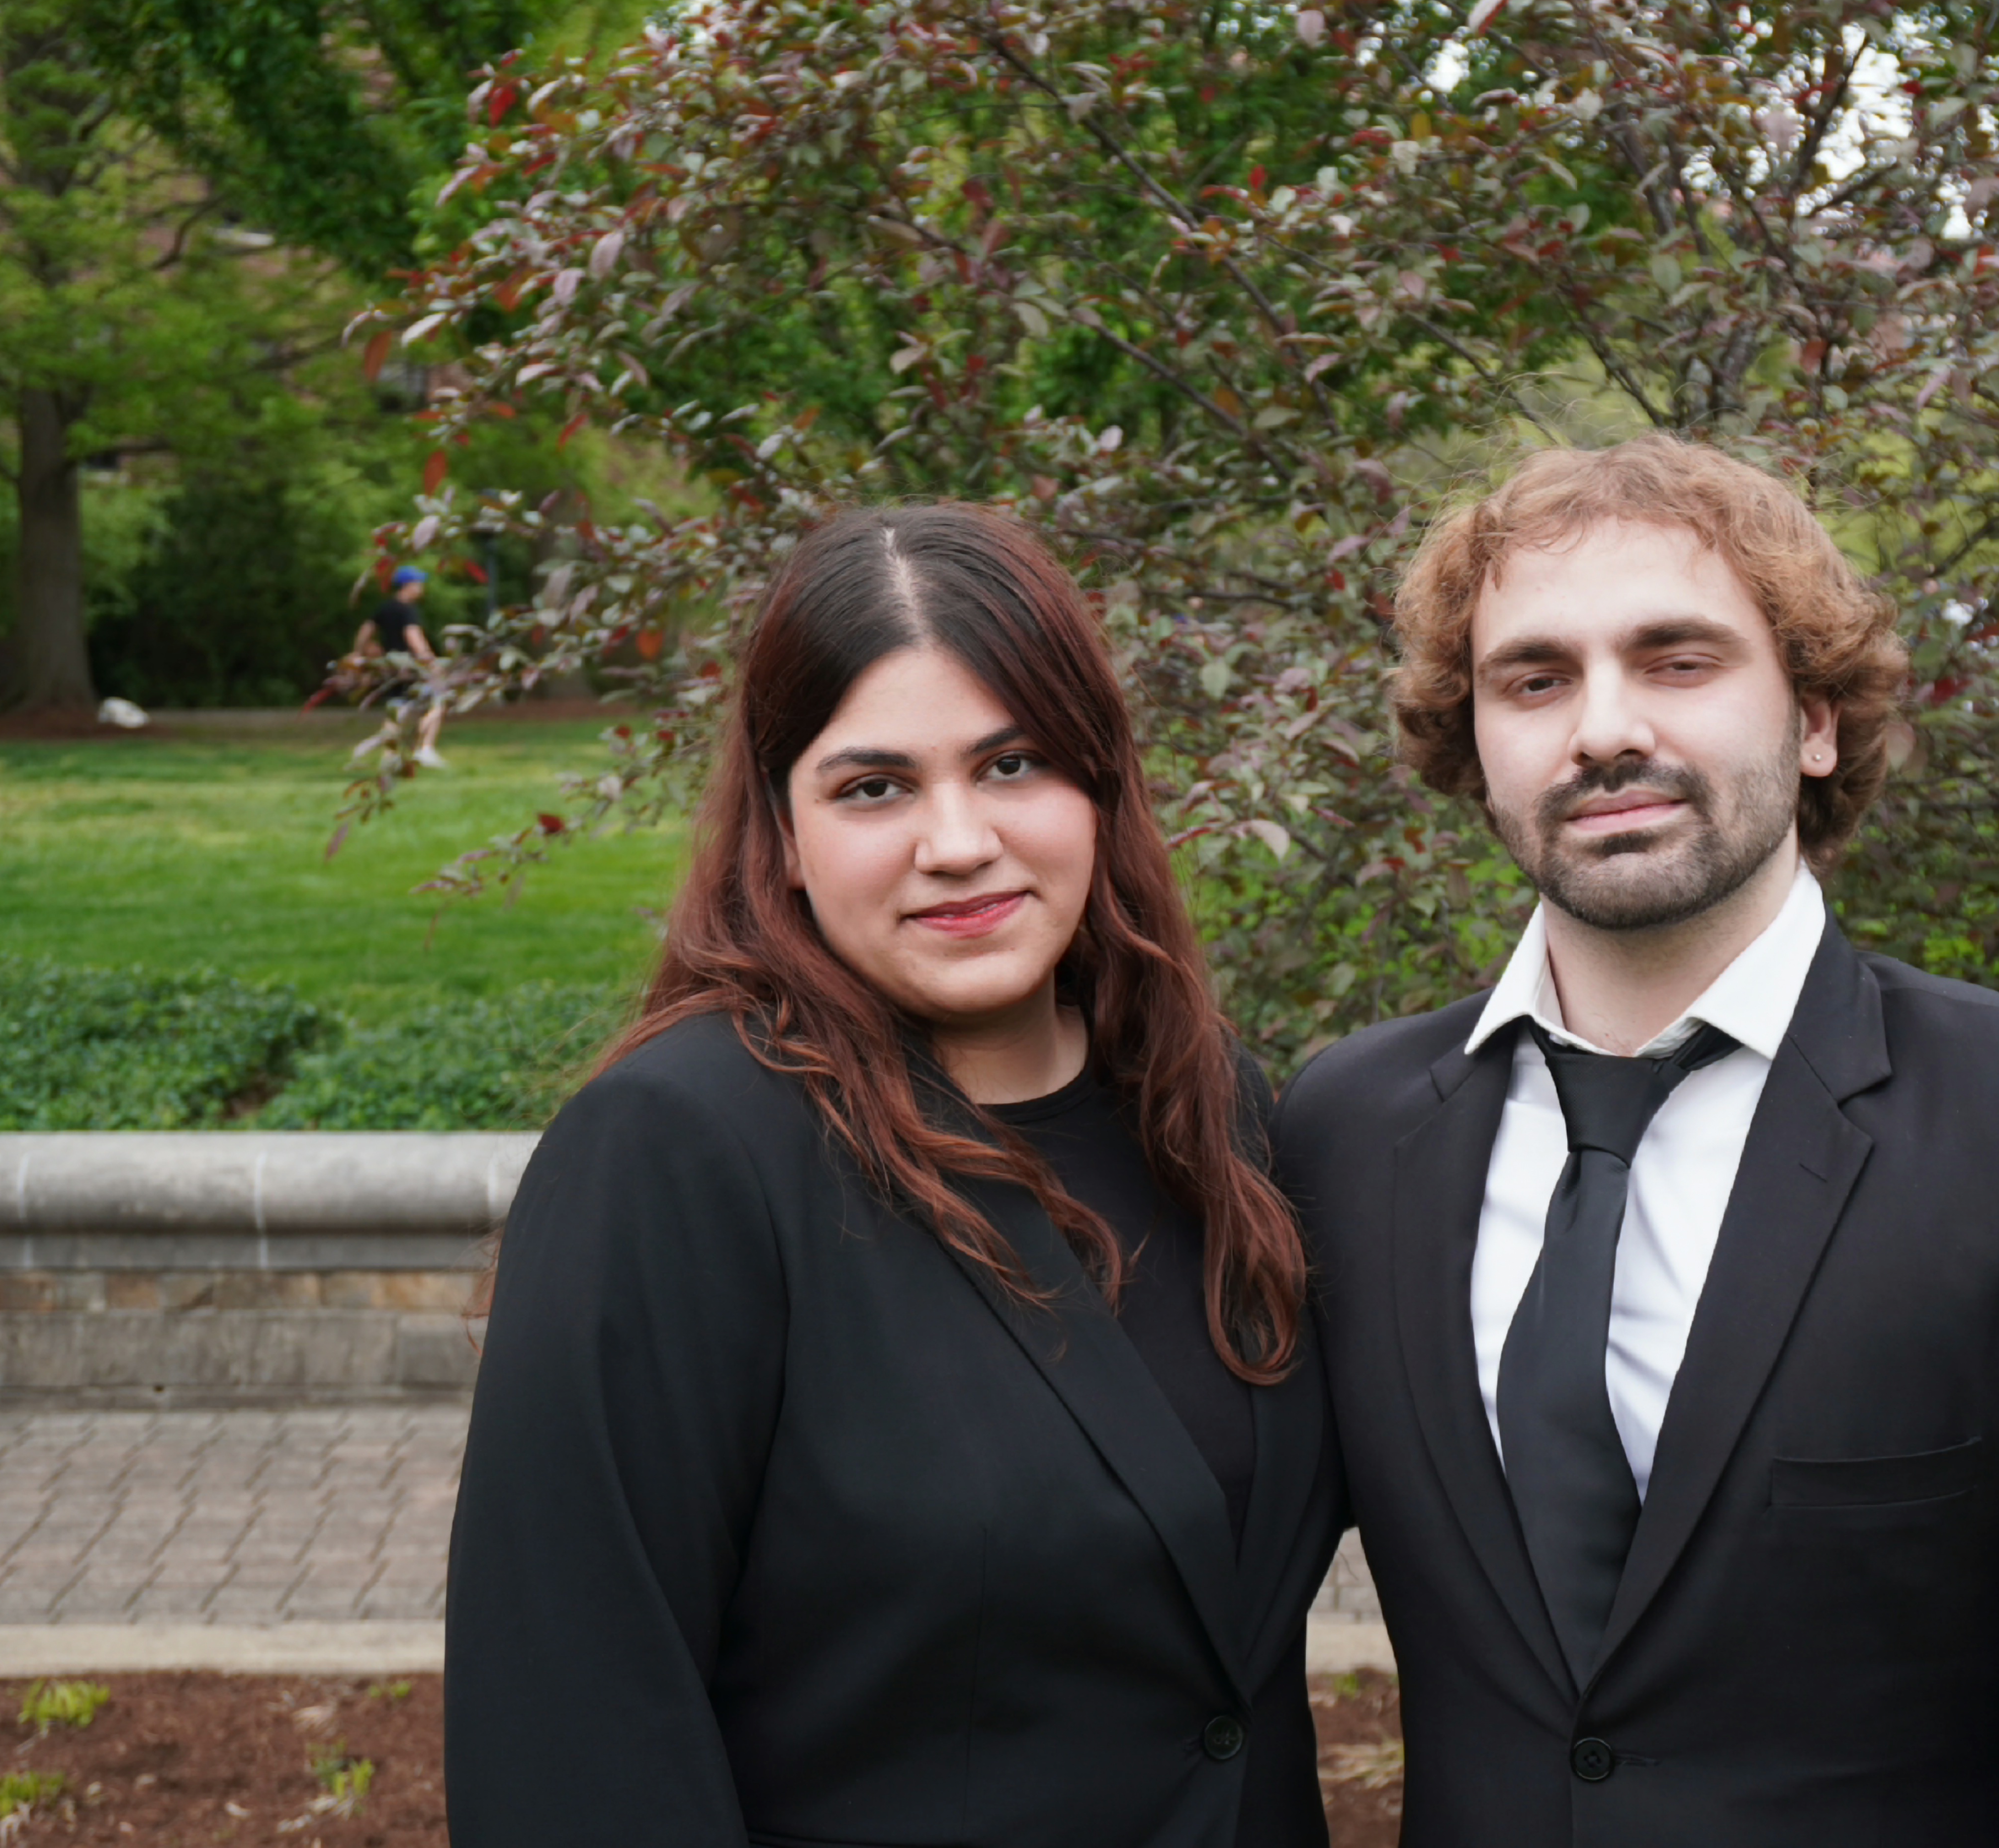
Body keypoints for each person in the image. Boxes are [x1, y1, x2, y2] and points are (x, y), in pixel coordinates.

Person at [1276, 434, 1999, 1845]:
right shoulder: (1347, 1131)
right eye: (1535, 679)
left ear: (1815, 720)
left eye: (1678, 660)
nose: (1603, 730)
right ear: (1476, 743)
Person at [446, 506, 1345, 1847]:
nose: (958, 841)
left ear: (1100, 784)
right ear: (781, 834)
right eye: (875, 787)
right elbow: (570, 1733)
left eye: (1013, 763)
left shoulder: (1213, 1112)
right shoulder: (678, 1154)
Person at [354, 565, 450, 769]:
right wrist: (430, 663)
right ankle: (425, 749)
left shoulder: (385, 608)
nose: (421, 588)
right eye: (419, 584)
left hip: (392, 667)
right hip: (411, 668)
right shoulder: (408, 610)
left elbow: (366, 631)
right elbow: (413, 637)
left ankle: (389, 757)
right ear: (409, 585)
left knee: (396, 710)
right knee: (437, 703)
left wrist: (360, 653)